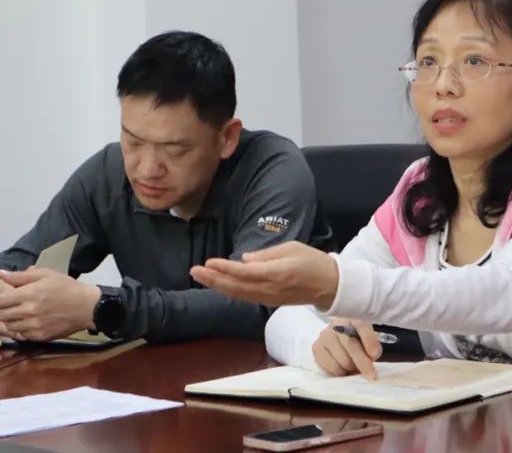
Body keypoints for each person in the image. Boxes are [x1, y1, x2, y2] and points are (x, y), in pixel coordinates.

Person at [191, 0, 512, 376]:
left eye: (474, 62)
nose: (443, 84)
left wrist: (337, 284)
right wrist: (318, 345)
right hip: (475, 425)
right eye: (428, 62)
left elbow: (505, 295)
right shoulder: (422, 190)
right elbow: (289, 317)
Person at [0, 32, 334, 343]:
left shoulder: (273, 170)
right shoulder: (106, 175)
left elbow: (255, 303)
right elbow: (20, 264)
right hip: (153, 374)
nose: (147, 169)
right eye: (133, 141)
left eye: (175, 150)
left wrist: (106, 307)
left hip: (274, 370)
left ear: (227, 138)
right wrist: (12, 296)